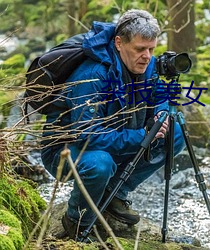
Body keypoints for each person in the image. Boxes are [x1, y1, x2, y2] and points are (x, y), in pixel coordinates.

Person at [41, 9, 185, 241]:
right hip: (66, 150)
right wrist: (142, 135)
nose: (147, 56)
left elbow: (160, 94)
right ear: (119, 43)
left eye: (152, 49)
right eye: (140, 49)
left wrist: (161, 114)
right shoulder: (92, 75)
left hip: (116, 136)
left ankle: (115, 193)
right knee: (100, 164)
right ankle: (76, 221)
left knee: (175, 132)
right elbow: (87, 136)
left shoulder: (146, 64)